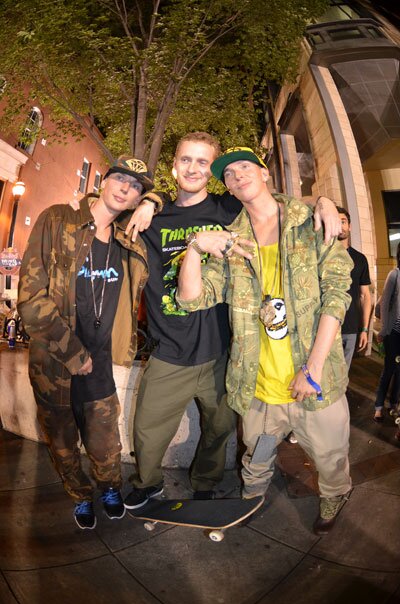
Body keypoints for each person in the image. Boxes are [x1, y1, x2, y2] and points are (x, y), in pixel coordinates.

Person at [123, 133, 342, 509]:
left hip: (221, 349)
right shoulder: (153, 218)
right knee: (147, 429)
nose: (193, 168)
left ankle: (205, 483)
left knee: (219, 429)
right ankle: (147, 482)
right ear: (174, 167)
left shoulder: (228, 210)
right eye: (185, 160)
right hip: (169, 346)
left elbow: (272, 203)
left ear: (212, 173)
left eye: (203, 162)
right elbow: (109, 208)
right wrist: (148, 199)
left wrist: (322, 201)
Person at [177, 146, 353, 535]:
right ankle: (251, 499)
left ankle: (335, 494)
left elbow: (337, 294)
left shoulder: (309, 222)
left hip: (316, 379)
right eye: (229, 174)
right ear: (228, 187)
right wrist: (194, 248)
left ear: (264, 172)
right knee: (255, 459)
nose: (237, 175)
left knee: (330, 456)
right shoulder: (231, 241)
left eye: (245, 166)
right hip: (258, 385)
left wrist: (313, 369)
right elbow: (191, 298)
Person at [17, 156, 160, 530]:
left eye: (136, 187)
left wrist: (153, 201)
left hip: (99, 364)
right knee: (62, 444)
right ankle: (80, 495)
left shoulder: (129, 240)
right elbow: (30, 298)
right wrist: (73, 352)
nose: (126, 188)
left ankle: (109, 488)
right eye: (120, 178)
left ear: (137, 199)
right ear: (104, 181)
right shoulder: (57, 220)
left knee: (105, 442)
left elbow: (184, 209)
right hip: (54, 364)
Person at [337, 207, 371, 368]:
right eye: (336, 221)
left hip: (350, 328)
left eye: (343, 221)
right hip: (324, 326)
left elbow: (365, 296)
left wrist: (364, 329)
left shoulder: (360, 259)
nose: (340, 226)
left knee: (344, 375)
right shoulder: (321, 256)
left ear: (349, 226)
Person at [373, 242, 400, 422]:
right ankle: (378, 406)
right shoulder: (394, 274)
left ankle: (394, 404)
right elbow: (383, 304)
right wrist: (383, 330)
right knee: (389, 369)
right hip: (393, 332)